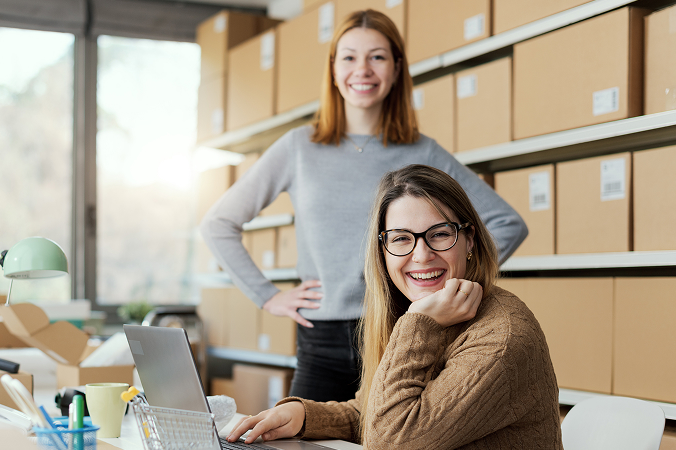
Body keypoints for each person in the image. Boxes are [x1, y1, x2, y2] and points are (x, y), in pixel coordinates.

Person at [199, 10, 528, 402]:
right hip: (319, 341)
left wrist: (449, 283)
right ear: (334, 69)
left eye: (377, 57)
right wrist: (268, 295)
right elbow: (218, 223)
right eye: (350, 57)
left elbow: (507, 222)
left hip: (399, 328)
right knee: (297, 437)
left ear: (396, 69)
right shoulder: (298, 147)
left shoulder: (423, 151)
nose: (363, 70)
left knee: (393, 440)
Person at [225, 165, 562, 449]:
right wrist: (303, 417)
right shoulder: (423, 311)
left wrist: (418, 323)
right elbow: (376, 410)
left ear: (469, 238)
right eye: (402, 238)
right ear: (383, 250)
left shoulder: (500, 339)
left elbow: (391, 439)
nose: (421, 255)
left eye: (440, 234)